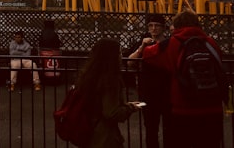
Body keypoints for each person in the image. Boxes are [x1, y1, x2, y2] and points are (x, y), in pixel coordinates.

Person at [142, 10, 224, 148]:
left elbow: (148, 55)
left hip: (183, 107)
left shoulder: (173, 43)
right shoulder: (211, 42)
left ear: (177, 25)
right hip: (213, 107)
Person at [76, 38, 141, 148]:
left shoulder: (89, 75)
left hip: (89, 129)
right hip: (104, 136)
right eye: (119, 52)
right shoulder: (110, 80)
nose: (121, 55)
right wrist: (130, 108)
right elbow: (111, 113)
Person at [128, 14, 171, 148]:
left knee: (169, 127)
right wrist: (141, 47)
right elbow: (130, 62)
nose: (153, 29)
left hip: (166, 90)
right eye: (150, 26)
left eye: (157, 26)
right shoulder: (143, 42)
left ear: (163, 28)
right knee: (150, 127)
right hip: (148, 90)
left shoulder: (169, 43)